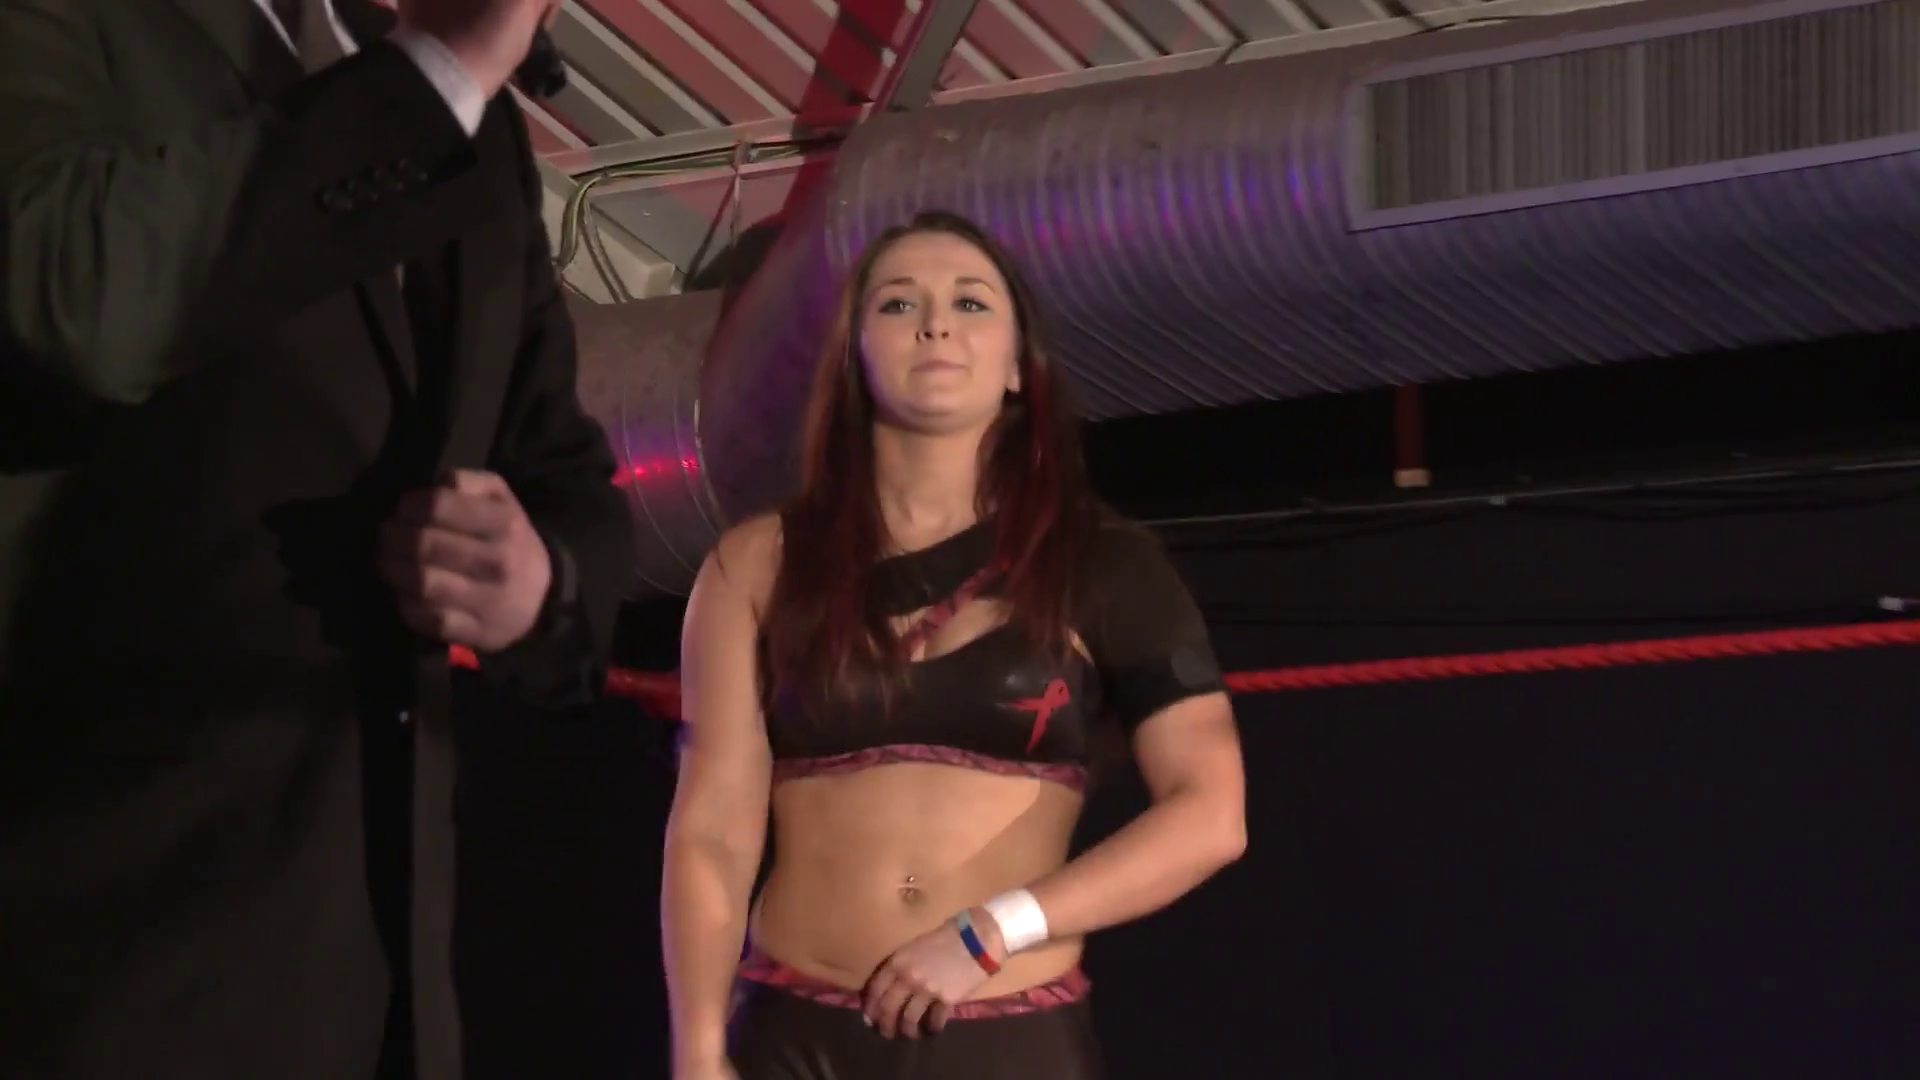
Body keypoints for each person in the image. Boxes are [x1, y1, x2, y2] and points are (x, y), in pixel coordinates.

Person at [0, 0, 632, 1077]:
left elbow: (564, 475)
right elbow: (71, 300)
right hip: (103, 957)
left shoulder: (481, 129)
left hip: (373, 981)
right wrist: (440, 69)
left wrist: (540, 584)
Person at [662, 210, 1248, 1079]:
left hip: (1004, 1032)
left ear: (1016, 365)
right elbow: (712, 829)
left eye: (970, 303)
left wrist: (992, 930)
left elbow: (1211, 814)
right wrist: (698, 1053)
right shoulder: (756, 565)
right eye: (899, 304)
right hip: (791, 1032)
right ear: (854, 354)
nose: (935, 323)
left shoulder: (1103, 563)